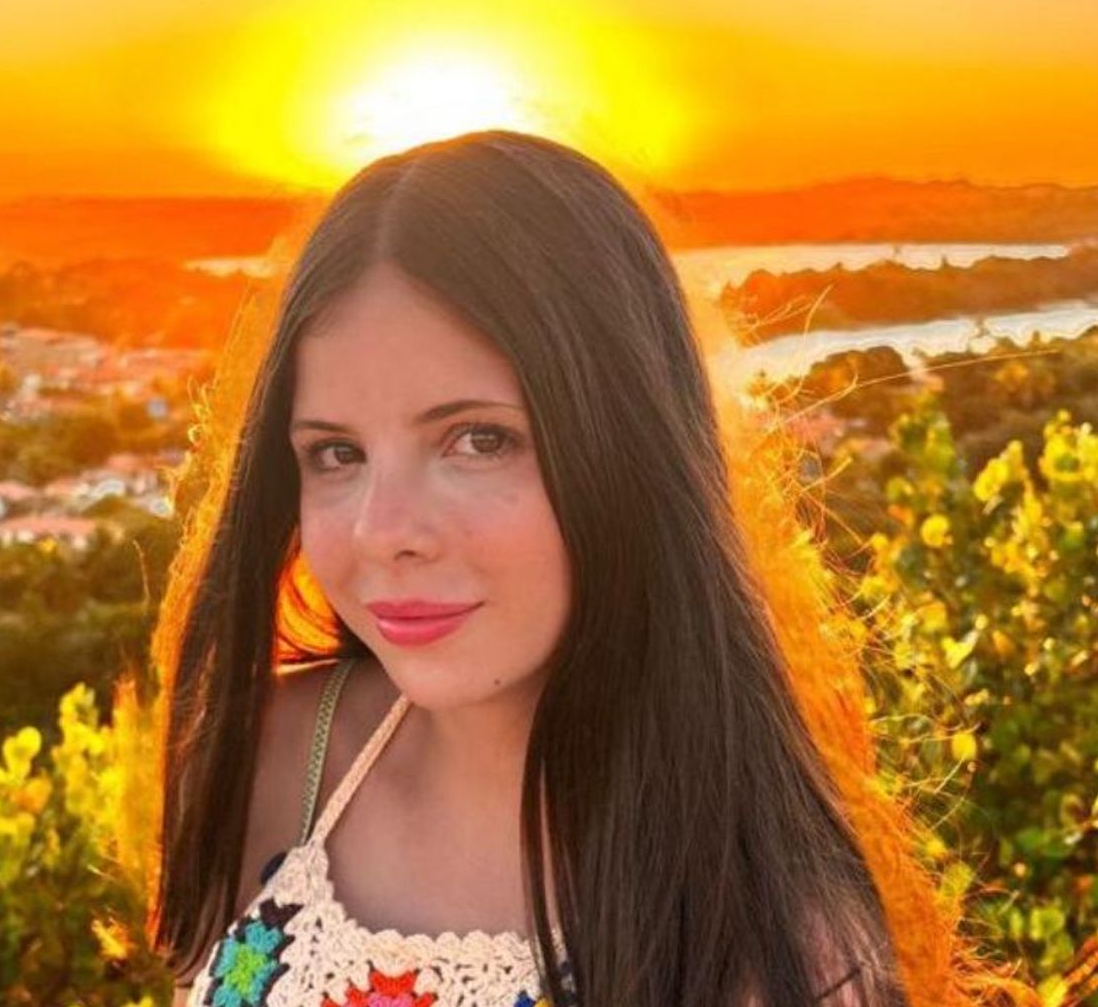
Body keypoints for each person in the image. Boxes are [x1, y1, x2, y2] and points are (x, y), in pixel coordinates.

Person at [148, 130, 1028, 1006]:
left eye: (478, 440)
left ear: (629, 447)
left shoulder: (768, 945)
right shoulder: (269, 757)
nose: (384, 531)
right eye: (337, 453)